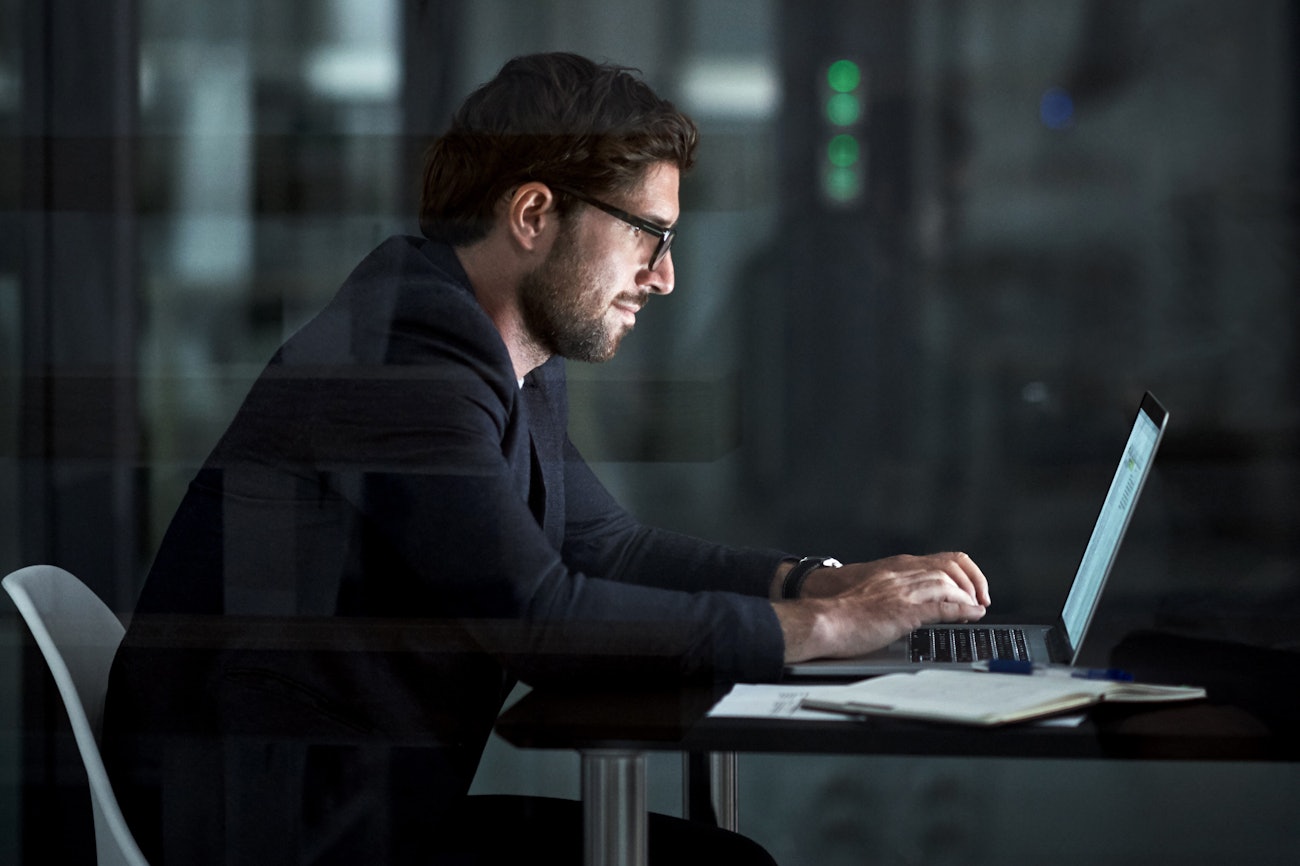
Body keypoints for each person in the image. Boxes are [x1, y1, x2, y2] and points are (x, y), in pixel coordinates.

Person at [103, 52, 990, 865]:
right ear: (533, 214)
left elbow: (606, 547)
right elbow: (539, 618)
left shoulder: (485, 348)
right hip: (278, 832)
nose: (665, 276)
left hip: (348, 810)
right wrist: (828, 633)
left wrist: (821, 584)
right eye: (649, 233)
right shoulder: (404, 361)